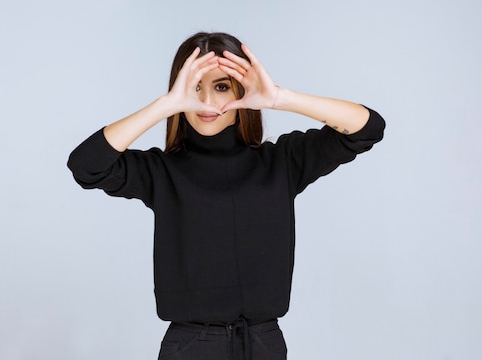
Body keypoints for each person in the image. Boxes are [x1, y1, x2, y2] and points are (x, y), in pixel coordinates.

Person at [67, 32, 386, 360]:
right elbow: (85, 166)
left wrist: (278, 97)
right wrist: (166, 105)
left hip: (264, 342)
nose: (206, 102)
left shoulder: (282, 162)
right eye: (194, 88)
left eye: (221, 87)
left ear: (241, 89)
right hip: (192, 345)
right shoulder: (161, 172)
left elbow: (368, 128)